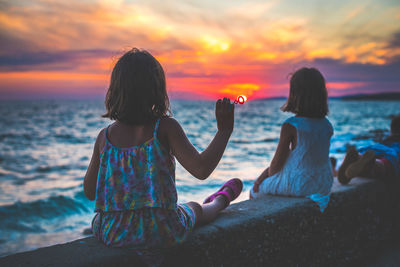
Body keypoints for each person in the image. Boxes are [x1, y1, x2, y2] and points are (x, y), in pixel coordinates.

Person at [83, 48, 243, 249]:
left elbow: (90, 192)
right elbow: (201, 170)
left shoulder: (104, 138)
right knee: (194, 208)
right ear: (157, 91)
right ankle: (220, 200)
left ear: (115, 91)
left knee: (99, 221)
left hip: (113, 232)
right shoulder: (165, 127)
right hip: (162, 228)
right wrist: (224, 131)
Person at [250, 67, 334, 212]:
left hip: (300, 185)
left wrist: (261, 180)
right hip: (324, 182)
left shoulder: (291, 125)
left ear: (295, 95)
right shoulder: (327, 125)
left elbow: (276, 165)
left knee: (254, 192)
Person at [338, 114, 400, 184]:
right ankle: (372, 165)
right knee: (385, 164)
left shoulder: (386, 141)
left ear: (391, 130)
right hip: (394, 153)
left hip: (378, 148)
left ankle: (358, 157)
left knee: (371, 154)